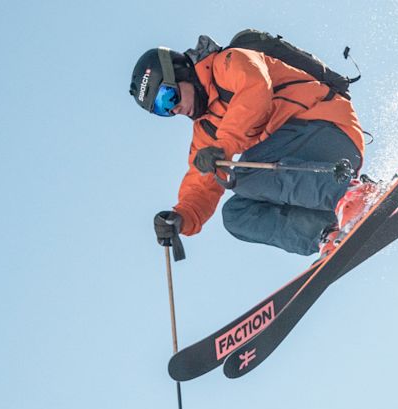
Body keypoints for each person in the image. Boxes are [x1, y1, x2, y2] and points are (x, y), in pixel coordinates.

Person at [130, 38, 379, 257]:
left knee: (243, 174)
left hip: (328, 129)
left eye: (167, 98)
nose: (173, 109)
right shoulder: (206, 130)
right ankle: (326, 234)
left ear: (180, 72)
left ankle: (353, 194)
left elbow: (255, 91)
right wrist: (180, 218)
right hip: (307, 164)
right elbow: (201, 184)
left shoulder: (228, 62)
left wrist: (224, 147)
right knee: (236, 215)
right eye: (162, 111)